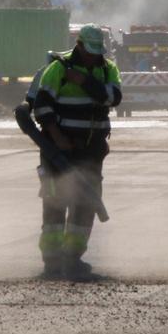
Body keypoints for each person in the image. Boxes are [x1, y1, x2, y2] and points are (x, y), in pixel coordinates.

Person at [32, 24, 122, 281]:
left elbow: (113, 97)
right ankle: (52, 261)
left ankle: (72, 258)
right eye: (90, 51)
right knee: (55, 201)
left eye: (97, 51)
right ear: (79, 45)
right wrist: (58, 138)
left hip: (92, 151)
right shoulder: (58, 69)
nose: (94, 56)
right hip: (59, 149)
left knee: (85, 204)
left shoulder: (108, 69)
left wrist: (83, 81)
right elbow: (42, 107)